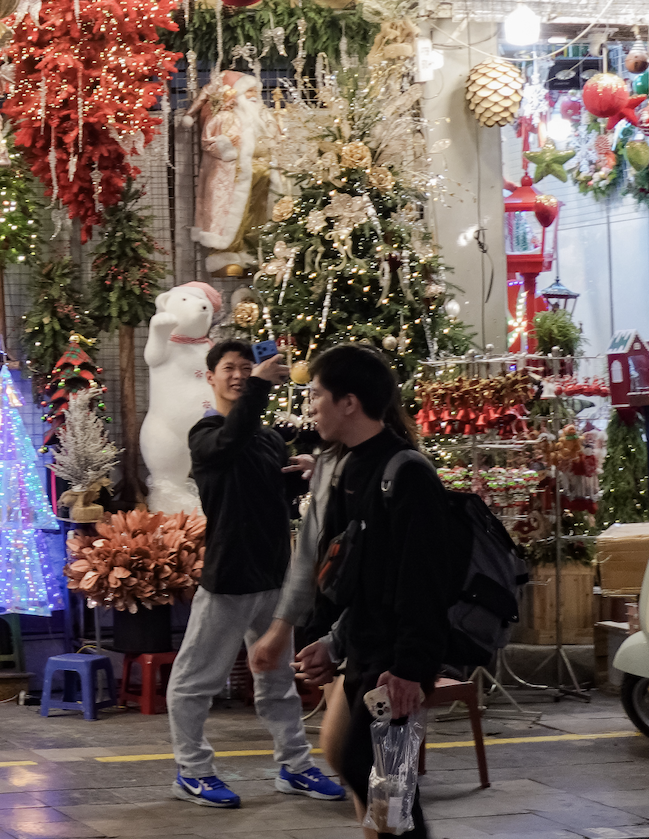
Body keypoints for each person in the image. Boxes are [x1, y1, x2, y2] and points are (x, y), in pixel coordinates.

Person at [249, 344, 454, 839]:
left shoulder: (406, 474)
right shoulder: (345, 469)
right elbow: (349, 575)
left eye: (317, 394)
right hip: (366, 655)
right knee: (362, 764)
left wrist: (410, 669)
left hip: (395, 667)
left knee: (388, 782)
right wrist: (333, 643)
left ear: (349, 402)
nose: (310, 405)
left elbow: (424, 583)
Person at [166, 342, 343, 809]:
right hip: (228, 577)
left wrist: (305, 470)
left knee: (278, 680)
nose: (240, 375)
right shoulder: (205, 434)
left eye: (247, 368)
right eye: (230, 369)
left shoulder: (266, 438)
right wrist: (262, 385)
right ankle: (192, 772)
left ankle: (295, 766)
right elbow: (231, 441)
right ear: (211, 378)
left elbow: (266, 489)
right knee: (194, 681)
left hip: (274, 576)